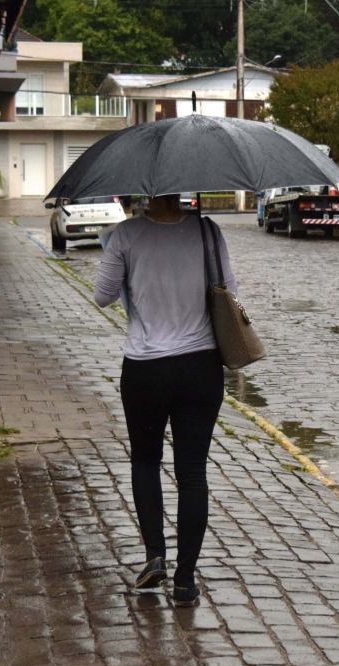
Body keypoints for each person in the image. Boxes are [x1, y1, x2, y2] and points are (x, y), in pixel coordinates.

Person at [93, 194, 236, 607]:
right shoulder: (208, 231)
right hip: (200, 367)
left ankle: (155, 555)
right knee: (192, 473)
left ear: (145, 187)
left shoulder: (127, 234)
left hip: (146, 369)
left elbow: (101, 296)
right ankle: (185, 580)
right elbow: (229, 293)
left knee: (145, 461)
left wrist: (122, 264)